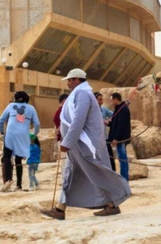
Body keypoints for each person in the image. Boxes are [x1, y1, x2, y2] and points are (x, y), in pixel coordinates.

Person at [40, 69, 131, 221]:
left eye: (69, 80)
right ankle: (60, 209)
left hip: (84, 144)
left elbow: (78, 119)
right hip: (77, 144)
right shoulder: (79, 94)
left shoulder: (83, 94)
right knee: (70, 174)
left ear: (76, 79)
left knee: (95, 173)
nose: (68, 83)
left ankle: (113, 202)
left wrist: (67, 141)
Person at [0, 91, 41, 192]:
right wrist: (34, 135)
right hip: (23, 135)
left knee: (7, 157)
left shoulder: (10, 105)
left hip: (10, 133)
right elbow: (37, 124)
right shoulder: (31, 108)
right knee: (18, 160)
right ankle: (19, 185)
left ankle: (7, 180)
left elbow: (1, 120)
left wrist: (2, 132)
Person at [107, 93, 132, 180]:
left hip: (121, 139)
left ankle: (124, 179)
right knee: (121, 158)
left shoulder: (123, 109)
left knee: (123, 159)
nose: (111, 103)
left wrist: (116, 138)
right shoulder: (119, 109)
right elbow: (115, 122)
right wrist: (108, 123)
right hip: (119, 138)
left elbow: (121, 125)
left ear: (115, 99)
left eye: (112, 100)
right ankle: (123, 178)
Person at [96, 92, 116, 172]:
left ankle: (113, 173)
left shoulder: (104, 110)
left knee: (110, 157)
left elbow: (114, 116)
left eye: (102, 100)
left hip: (105, 138)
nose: (101, 102)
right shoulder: (90, 111)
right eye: (99, 100)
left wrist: (109, 120)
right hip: (95, 140)